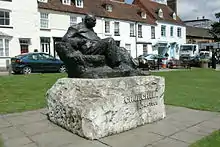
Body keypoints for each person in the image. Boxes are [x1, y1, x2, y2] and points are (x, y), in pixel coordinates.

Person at [61, 14, 137, 71]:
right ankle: (116, 66)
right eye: (93, 21)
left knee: (122, 49)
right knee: (109, 40)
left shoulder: (90, 29)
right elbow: (65, 39)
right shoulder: (75, 27)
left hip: (96, 46)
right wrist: (80, 41)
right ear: (87, 20)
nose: (95, 23)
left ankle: (133, 66)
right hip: (88, 48)